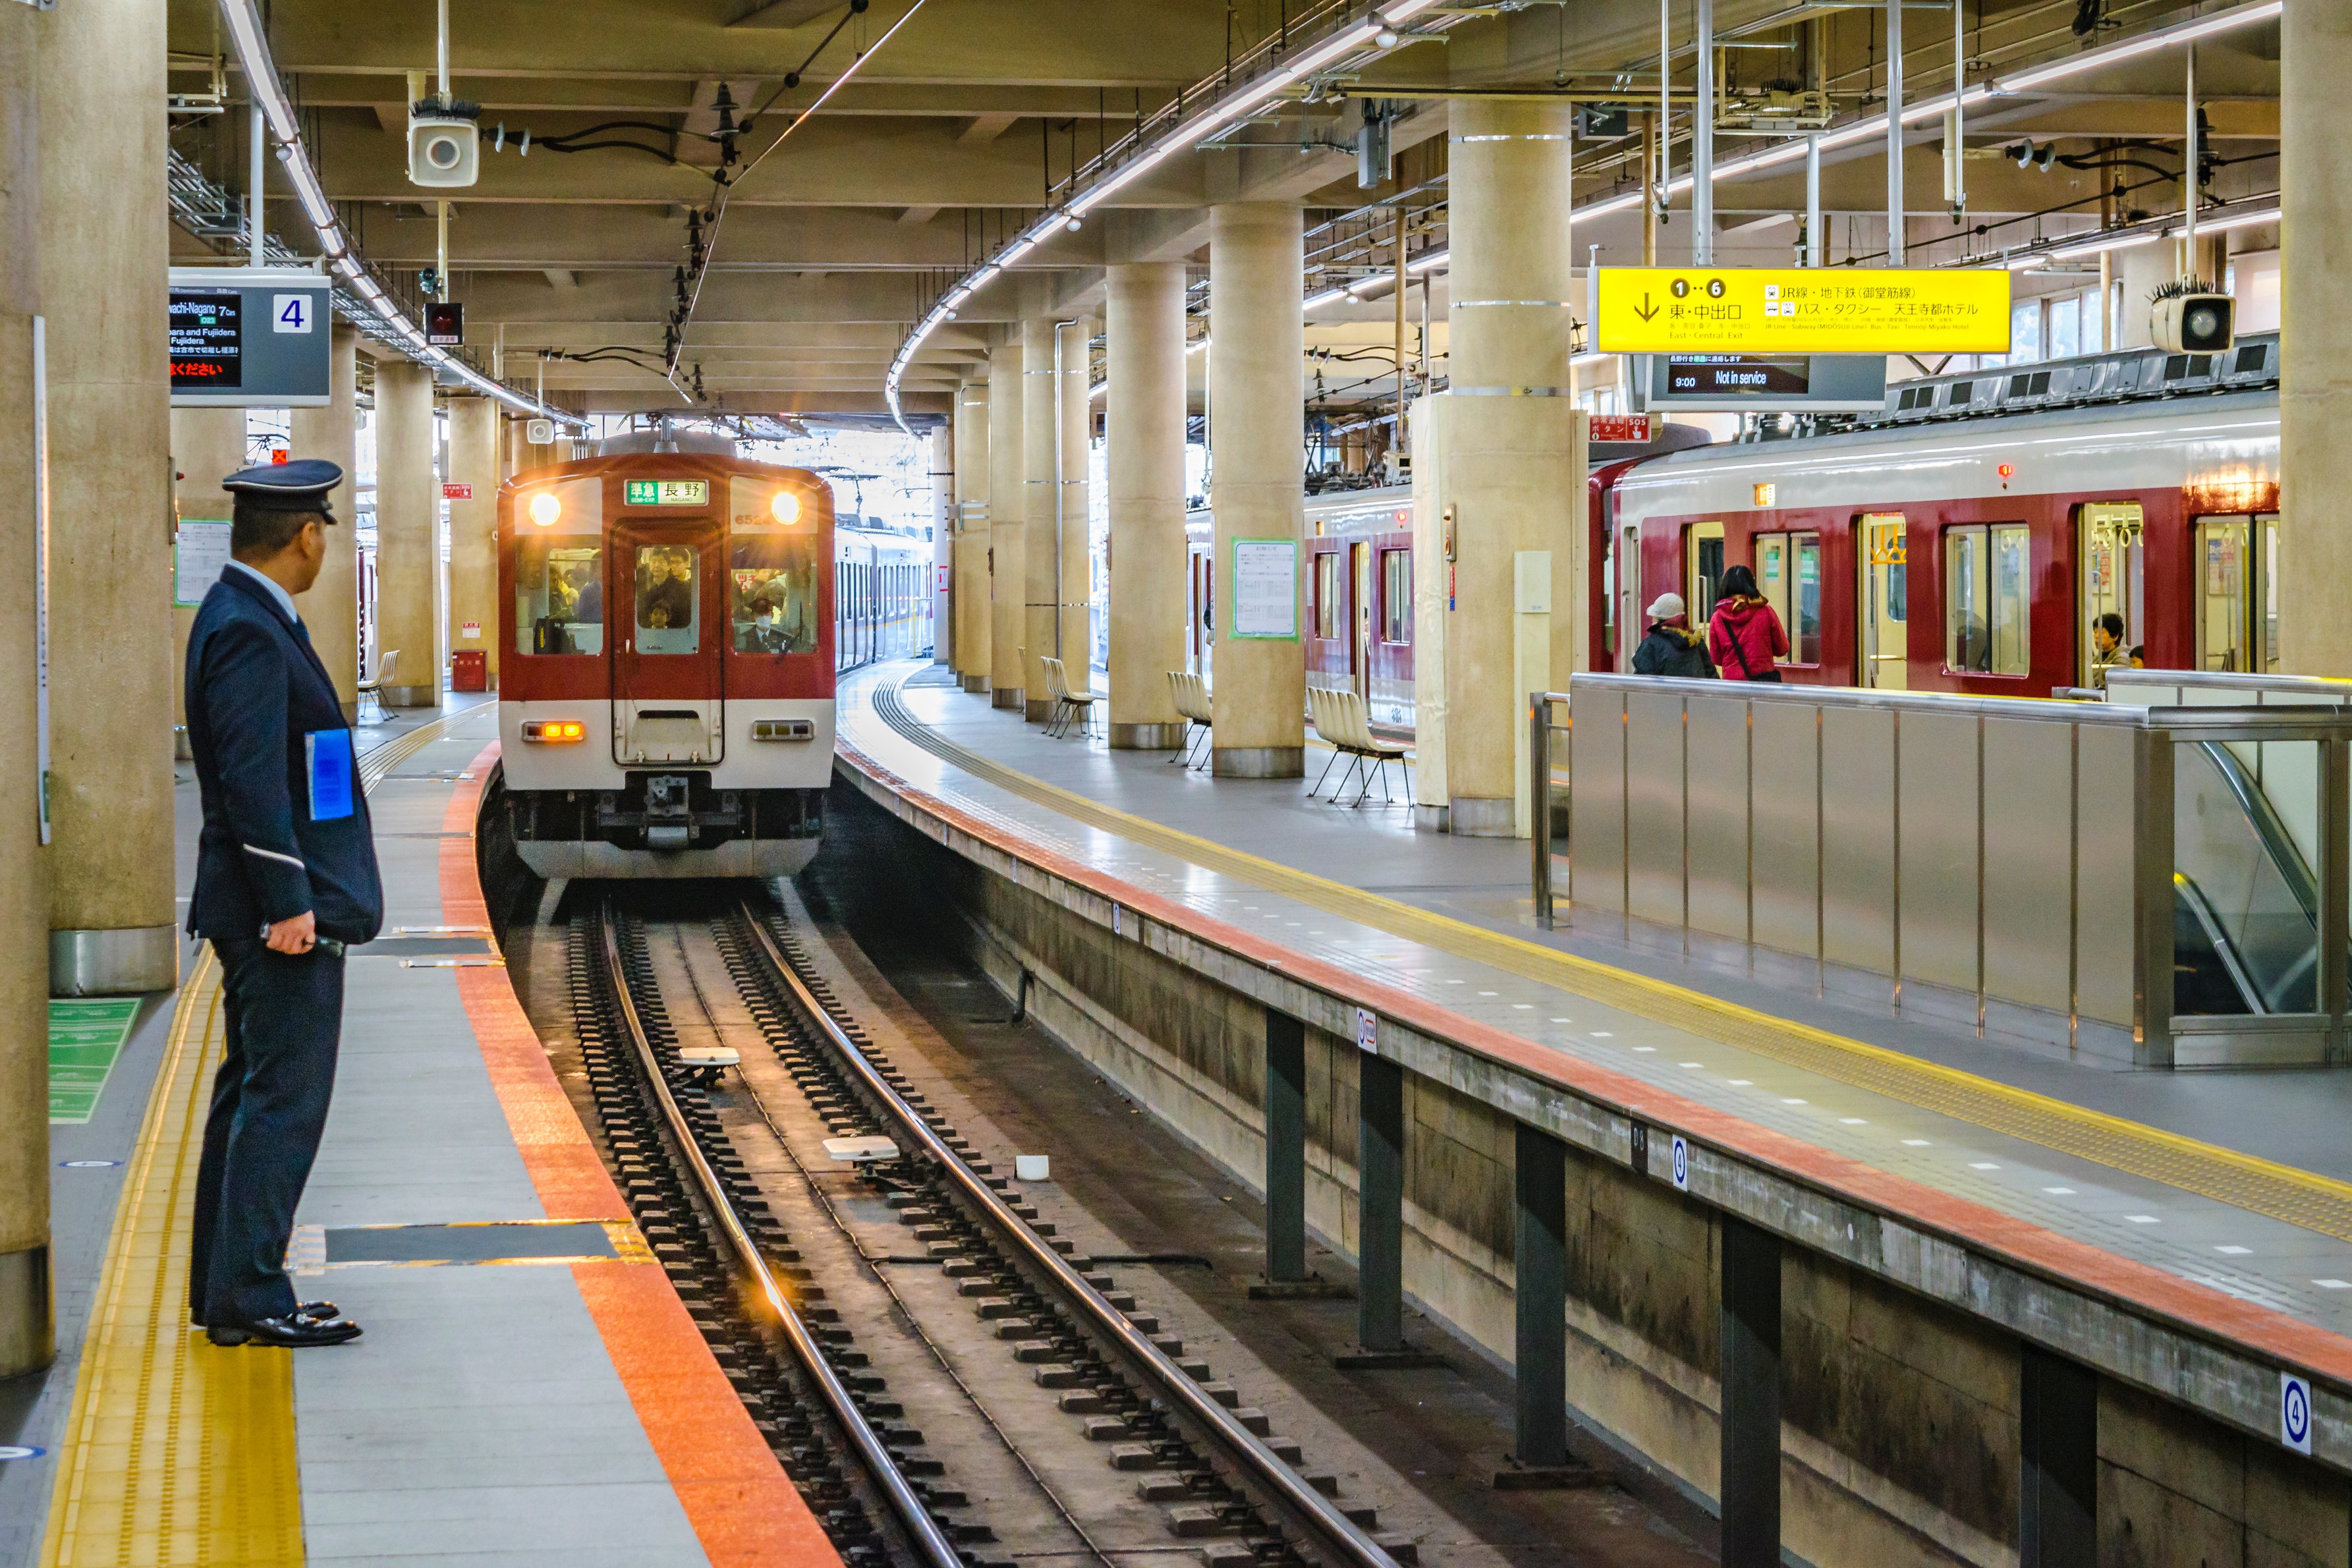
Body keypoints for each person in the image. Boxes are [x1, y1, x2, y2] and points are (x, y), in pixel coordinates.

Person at [184, 459, 382, 1349]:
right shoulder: (250, 630)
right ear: (306, 535)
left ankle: (227, 1288)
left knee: (253, 1093)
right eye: (323, 532)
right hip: (277, 919)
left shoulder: (245, 616)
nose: (323, 546)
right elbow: (251, 780)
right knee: (283, 1102)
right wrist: (289, 901)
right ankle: (252, 1294)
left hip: (268, 908)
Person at [1706, 563, 1791, 682]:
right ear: (1751, 584)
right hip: (1763, 683)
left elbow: (1716, 658)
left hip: (1733, 685)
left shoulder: (1717, 618)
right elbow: (1783, 648)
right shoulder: (1766, 612)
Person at [1631, 592, 1715, 678]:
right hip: (1695, 691)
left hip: (1664, 691)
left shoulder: (1652, 643)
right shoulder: (1696, 640)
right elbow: (1711, 673)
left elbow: (1643, 677)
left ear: (1658, 619)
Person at [2089, 612, 2129, 687]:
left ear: (2115, 636)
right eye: (2095, 632)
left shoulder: (2123, 658)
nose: (2096, 636)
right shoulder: (2096, 659)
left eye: (2102, 633)